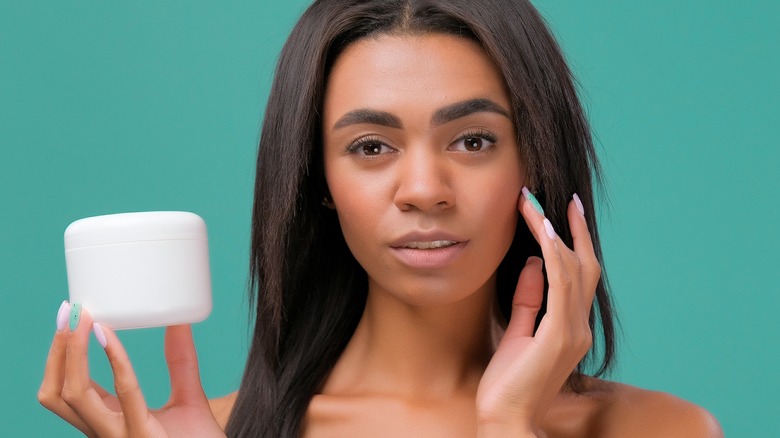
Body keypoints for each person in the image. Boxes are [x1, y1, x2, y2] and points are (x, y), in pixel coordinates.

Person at [39, 0, 724, 436]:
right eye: (371, 147)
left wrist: (509, 425)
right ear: (320, 180)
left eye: (474, 140)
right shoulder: (202, 431)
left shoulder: (660, 428)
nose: (424, 189)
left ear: (533, 164)